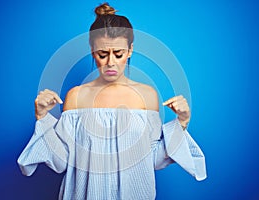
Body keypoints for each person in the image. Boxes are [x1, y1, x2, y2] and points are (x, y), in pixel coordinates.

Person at [18, 3, 206, 199]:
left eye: (118, 54)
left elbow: (153, 161)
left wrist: (181, 123)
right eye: (102, 54)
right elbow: (62, 162)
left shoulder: (147, 95)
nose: (111, 63)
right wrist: (42, 118)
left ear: (130, 50)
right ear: (92, 50)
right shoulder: (76, 96)